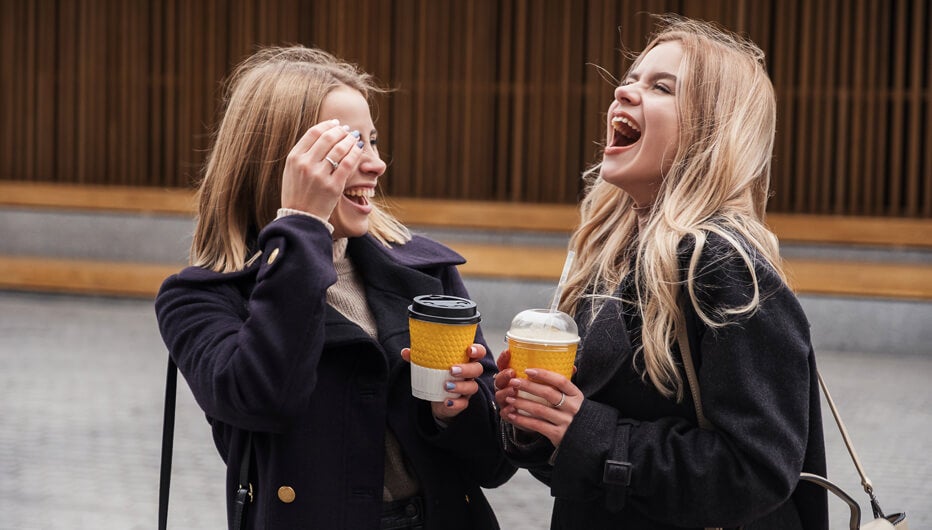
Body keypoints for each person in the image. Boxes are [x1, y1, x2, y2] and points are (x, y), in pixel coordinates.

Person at [155, 46, 514, 529]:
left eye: (373, 141)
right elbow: (263, 398)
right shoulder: (199, 298)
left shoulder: (426, 271)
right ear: (282, 163)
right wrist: (302, 225)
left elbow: (494, 464)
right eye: (348, 145)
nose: (377, 164)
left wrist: (452, 413)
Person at [493, 15, 828, 530]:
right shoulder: (609, 253)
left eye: (660, 87)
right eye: (629, 79)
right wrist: (539, 418)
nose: (623, 93)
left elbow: (757, 471)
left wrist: (583, 430)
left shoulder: (720, 264)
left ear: (710, 129)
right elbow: (585, 463)